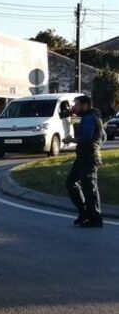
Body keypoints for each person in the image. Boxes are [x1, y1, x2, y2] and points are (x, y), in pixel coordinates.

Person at [63, 95, 105, 228]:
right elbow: (102, 136)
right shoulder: (90, 117)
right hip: (83, 156)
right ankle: (84, 212)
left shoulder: (89, 118)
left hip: (88, 157)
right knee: (71, 182)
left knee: (89, 188)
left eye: (77, 104)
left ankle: (95, 218)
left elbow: (86, 138)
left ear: (85, 105)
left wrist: (71, 140)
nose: (74, 107)